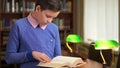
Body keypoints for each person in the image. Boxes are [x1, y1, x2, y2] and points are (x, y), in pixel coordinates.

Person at [5, 0, 62, 68]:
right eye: (48, 16)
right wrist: (31, 55)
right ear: (38, 9)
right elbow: (9, 58)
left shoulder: (54, 28)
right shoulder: (18, 26)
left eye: (53, 18)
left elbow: (58, 58)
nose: (50, 21)